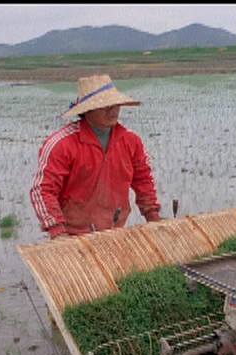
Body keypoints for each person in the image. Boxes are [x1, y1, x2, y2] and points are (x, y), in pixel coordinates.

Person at [30, 74, 162, 239]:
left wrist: (153, 216)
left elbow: (144, 181)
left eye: (115, 104)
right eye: (105, 105)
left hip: (115, 230)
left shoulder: (131, 141)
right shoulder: (62, 145)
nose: (113, 109)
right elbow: (43, 190)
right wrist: (57, 231)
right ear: (87, 110)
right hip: (73, 235)